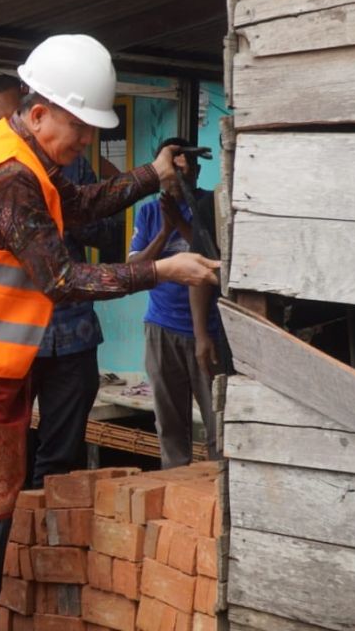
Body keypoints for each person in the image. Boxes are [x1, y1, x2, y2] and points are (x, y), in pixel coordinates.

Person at [0, 34, 219, 631]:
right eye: (81, 127)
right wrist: (161, 269)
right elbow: (63, 278)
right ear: (39, 113)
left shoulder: (29, 160)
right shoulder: (7, 177)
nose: (88, 141)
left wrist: (152, 172)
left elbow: (80, 205)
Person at [0, 75, 108, 487]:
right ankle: (12, 547)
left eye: (15, 117)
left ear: (35, 114)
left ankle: (49, 546)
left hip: (72, 334)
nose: (12, 131)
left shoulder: (68, 162)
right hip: (10, 340)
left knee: (61, 461)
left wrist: (56, 217)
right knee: (2, 460)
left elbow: (103, 229)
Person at [129, 137, 222, 466]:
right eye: (172, 171)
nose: (178, 179)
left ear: (196, 171)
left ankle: (218, 495)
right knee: (170, 424)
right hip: (161, 328)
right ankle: (174, 489)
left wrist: (180, 224)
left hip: (207, 331)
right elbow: (135, 268)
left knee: (218, 425)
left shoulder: (210, 205)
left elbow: (211, 257)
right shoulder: (150, 212)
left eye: (185, 171)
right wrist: (164, 231)